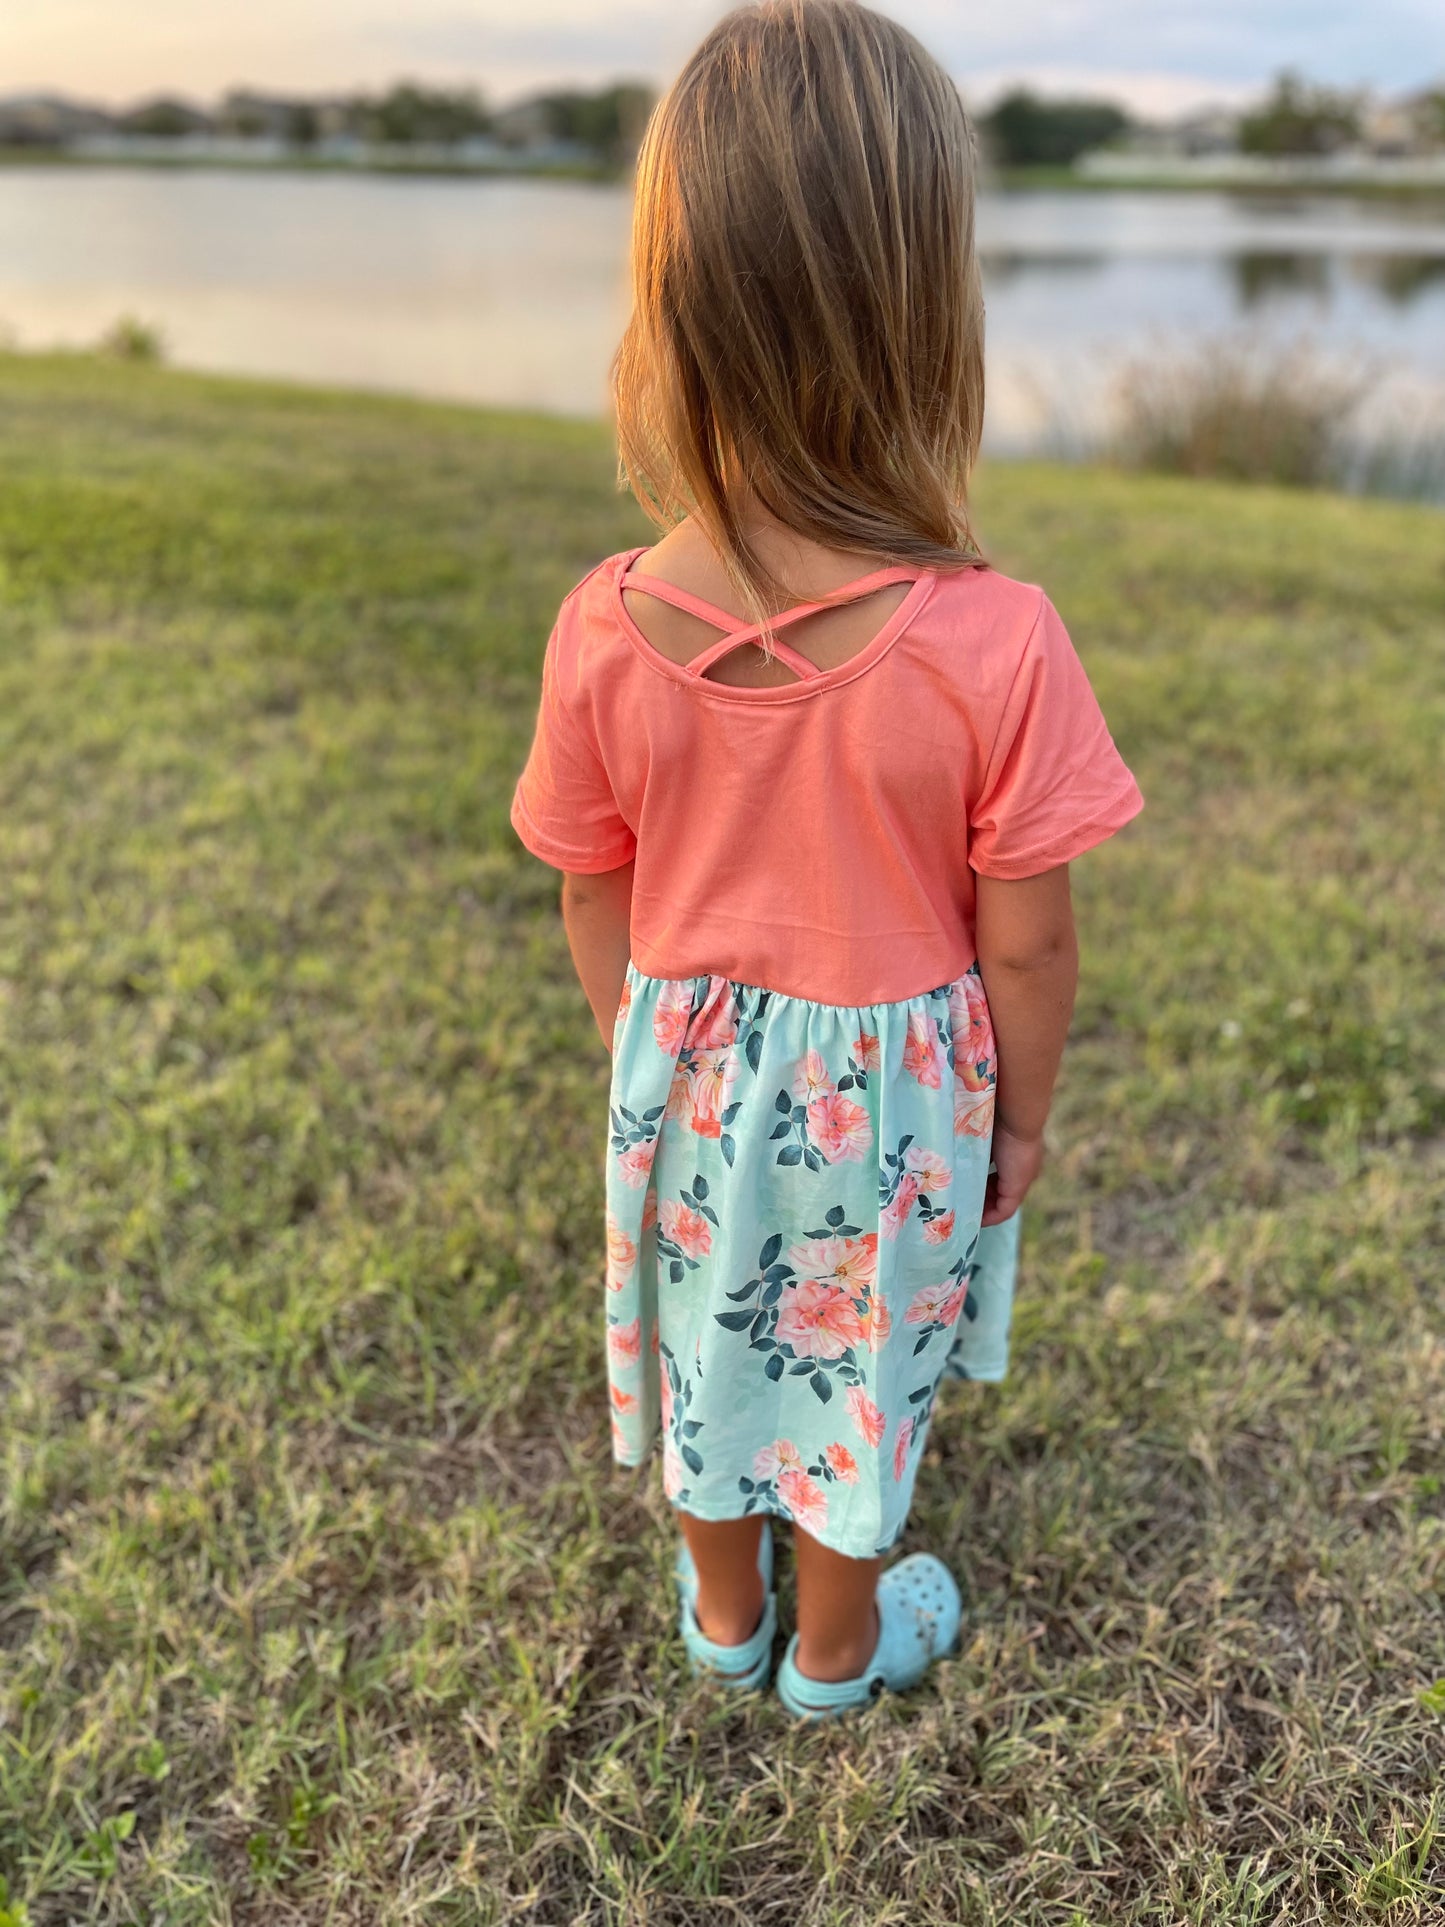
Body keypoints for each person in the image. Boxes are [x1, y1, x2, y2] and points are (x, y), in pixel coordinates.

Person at [509, 0, 1142, 1719]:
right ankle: (840, 1645)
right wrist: (1017, 1115)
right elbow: (1032, 947)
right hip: (903, 1092)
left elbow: (590, 885)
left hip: (687, 1070)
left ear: (670, 308)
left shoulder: (604, 620)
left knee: (718, 1335)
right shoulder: (996, 640)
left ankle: (725, 1615)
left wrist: (637, 1048)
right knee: (861, 1360)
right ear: (925, 312)